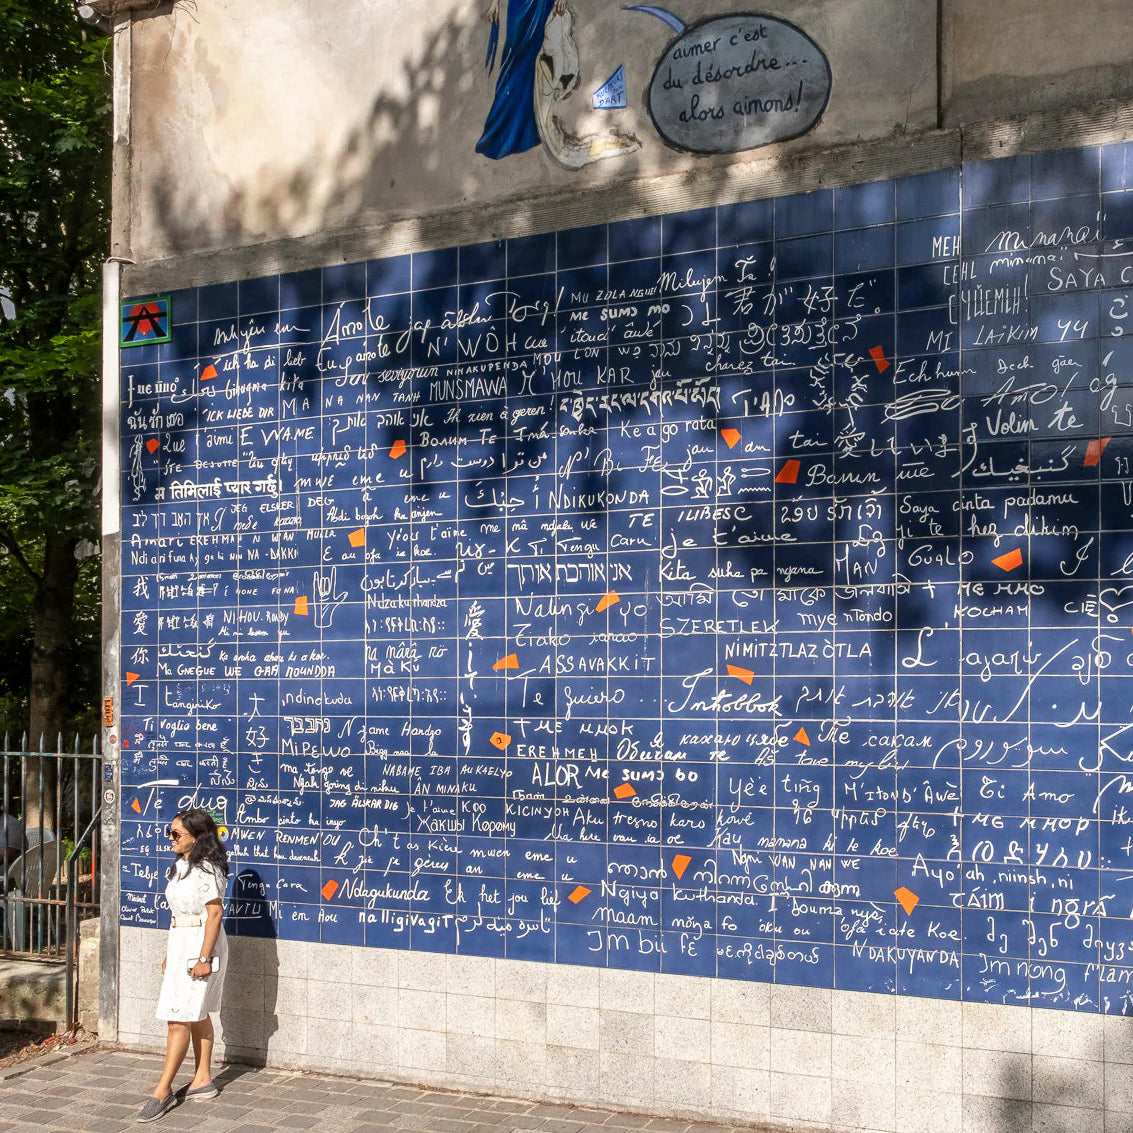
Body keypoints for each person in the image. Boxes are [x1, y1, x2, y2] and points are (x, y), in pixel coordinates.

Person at [136, 809, 229, 1123]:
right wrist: (169, 951)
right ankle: (202, 1080)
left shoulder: (207, 869)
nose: (171, 838)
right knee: (194, 1013)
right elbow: (177, 912)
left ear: (196, 837)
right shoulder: (180, 866)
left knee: (178, 1019)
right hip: (181, 942)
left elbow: (214, 915)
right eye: (170, 832)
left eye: (177, 833)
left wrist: (203, 958)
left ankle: (162, 1091)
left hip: (201, 943)